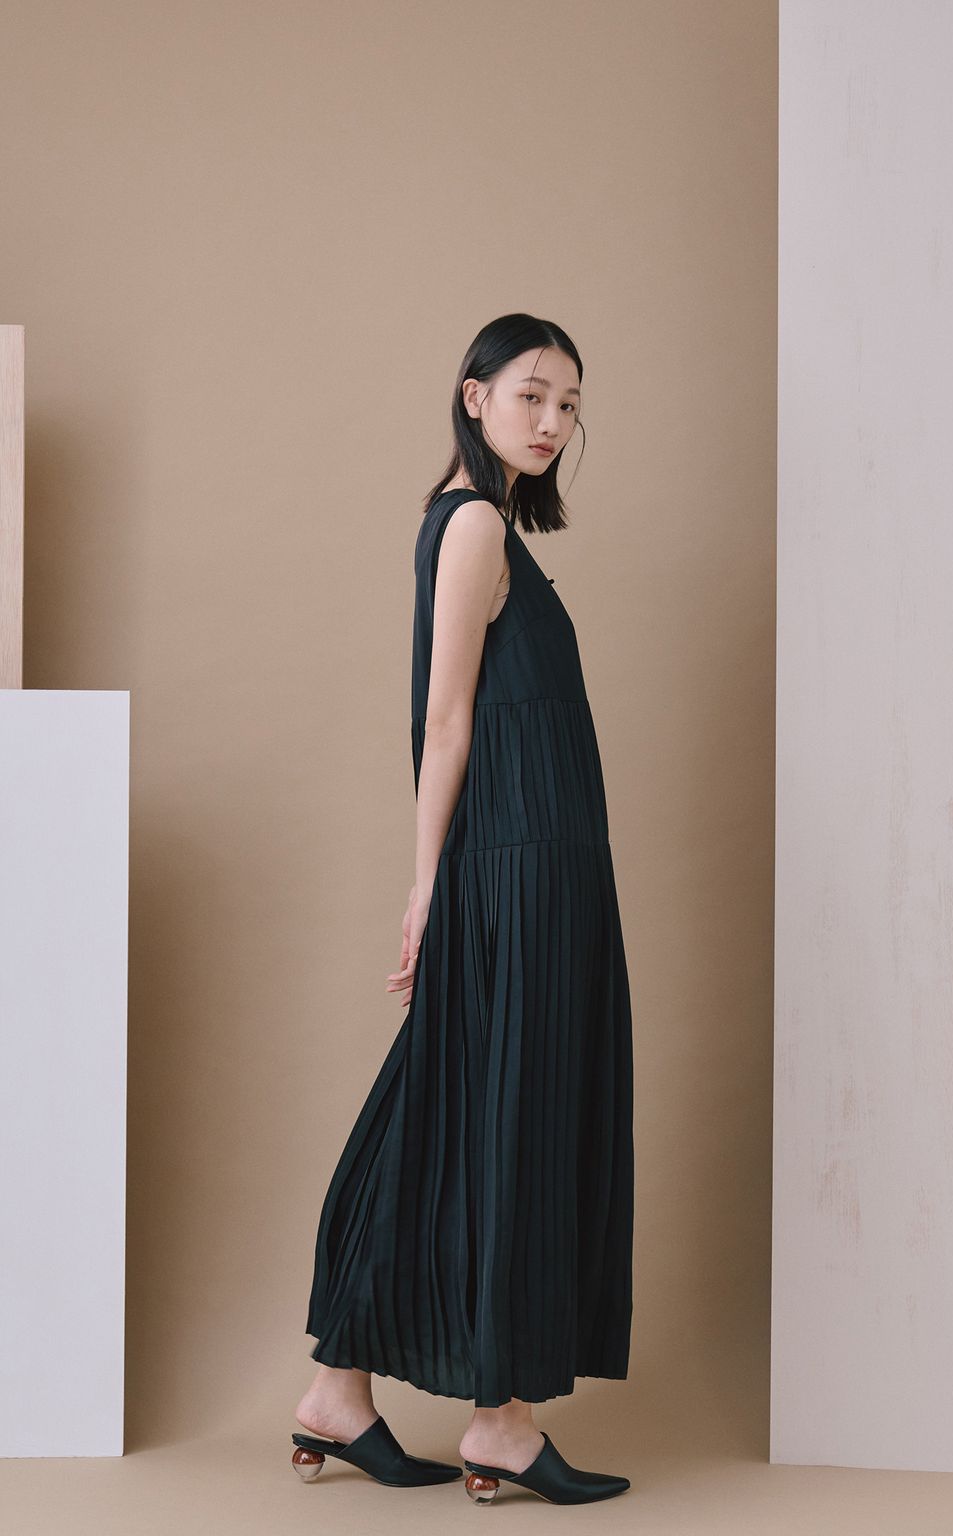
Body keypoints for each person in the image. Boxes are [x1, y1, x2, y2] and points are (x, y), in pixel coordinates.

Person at [291, 314, 635, 1505]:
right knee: (504, 1116)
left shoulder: (479, 523)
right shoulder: (475, 523)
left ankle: (345, 1396)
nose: (552, 421)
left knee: (458, 1107)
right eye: (532, 394)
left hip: (535, 861)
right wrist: (426, 883)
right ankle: (498, 1422)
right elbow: (444, 719)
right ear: (473, 392)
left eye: (569, 404)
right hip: (516, 866)